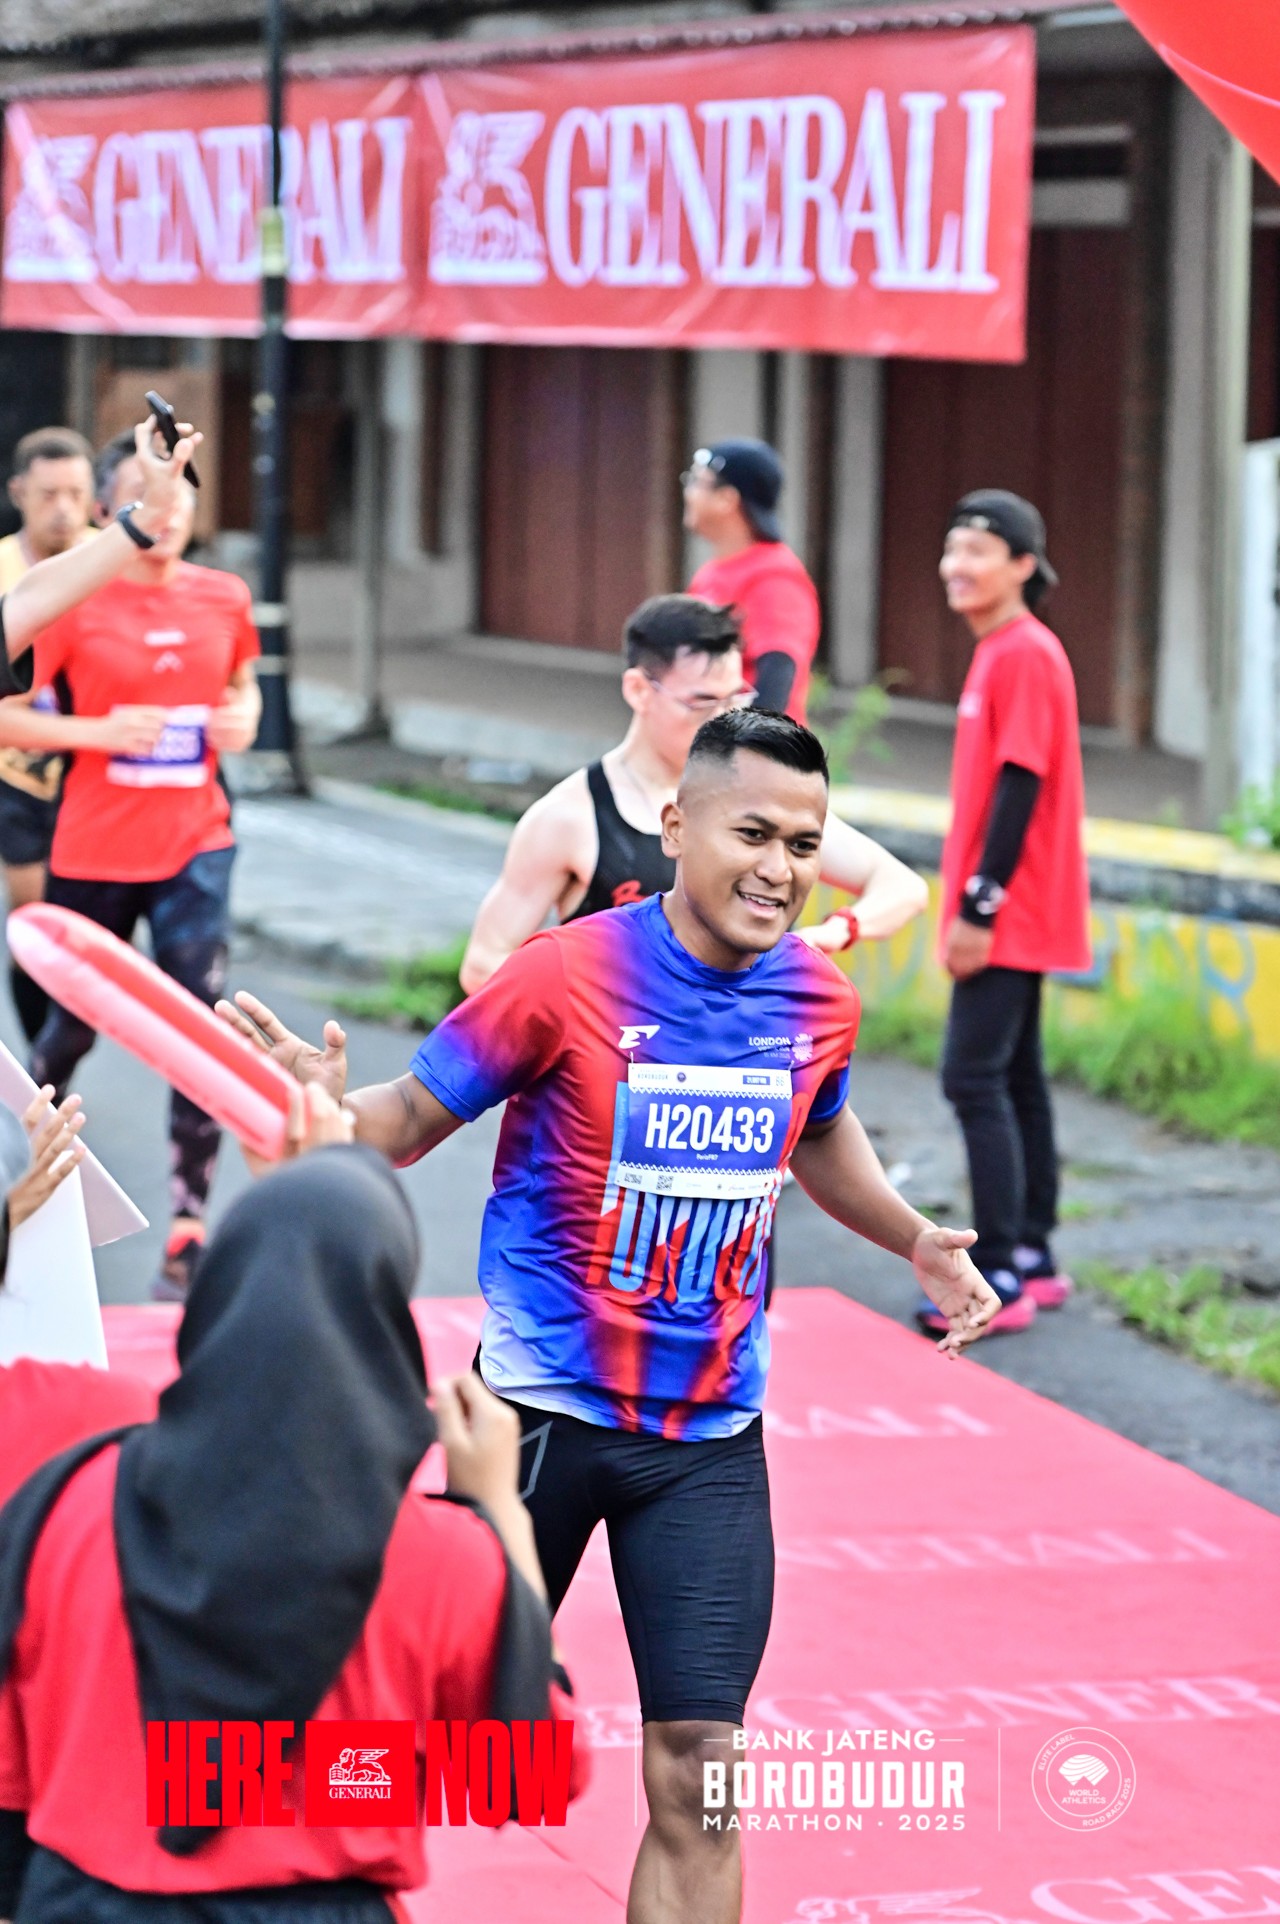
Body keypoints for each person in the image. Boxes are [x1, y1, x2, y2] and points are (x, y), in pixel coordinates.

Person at [219, 707, 998, 1924]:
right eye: (752, 833)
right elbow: (414, 1114)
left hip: (705, 1443)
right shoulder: (564, 973)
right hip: (533, 1422)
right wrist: (324, 1109)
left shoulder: (817, 998)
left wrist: (911, 1236)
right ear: (675, 826)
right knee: (417, 1735)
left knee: (703, 1777)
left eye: (803, 844)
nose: (779, 869)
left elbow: (818, 1128)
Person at [0, 1105, 575, 1922]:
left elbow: (15, 1766)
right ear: (387, 1327)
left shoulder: (69, 1507)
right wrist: (500, 1518)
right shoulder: (441, 1558)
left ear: (212, 1307)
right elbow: (533, 1772)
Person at [4, 426, 262, 1303]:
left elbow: (241, 685)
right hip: (94, 845)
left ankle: (188, 1229)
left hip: (196, 842)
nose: (170, 511)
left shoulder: (225, 595)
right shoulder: (76, 598)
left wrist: (243, 715)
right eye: (152, 495)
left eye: (182, 495)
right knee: (69, 1032)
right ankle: (30, 1188)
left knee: (199, 1031)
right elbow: (9, 707)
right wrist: (99, 732)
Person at [460, 593, 927, 993]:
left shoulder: (762, 801)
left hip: (736, 1059)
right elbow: (483, 964)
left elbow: (902, 887)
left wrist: (828, 936)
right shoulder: (570, 817)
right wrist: (607, 998)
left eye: (735, 699)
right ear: (639, 690)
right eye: (702, 701)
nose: (721, 718)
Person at [920, 490, 1091, 1341]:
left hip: (1011, 908)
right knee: (1015, 1076)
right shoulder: (1004, 650)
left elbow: (1021, 784)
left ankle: (996, 1276)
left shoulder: (1022, 652)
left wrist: (978, 906)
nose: (957, 565)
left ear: (1024, 564)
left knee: (972, 1078)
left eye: (978, 550)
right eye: (952, 548)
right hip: (1017, 906)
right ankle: (1033, 1254)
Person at [0, 429, 98, 1045]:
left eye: (76, 494)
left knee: (91, 930)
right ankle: (43, 1061)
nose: (63, 508)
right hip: (18, 772)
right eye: (48, 494)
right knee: (35, 919)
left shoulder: (110, 559)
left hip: (99, 773)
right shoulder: (3, 569)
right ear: (18, 493)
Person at [684, 440, 821, 724]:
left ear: (726, 499)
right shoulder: (710, 573)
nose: (687, 492)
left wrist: (747, 744)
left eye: (696, 482)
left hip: (752, 744)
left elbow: (778, 670)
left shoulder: (776, 576)